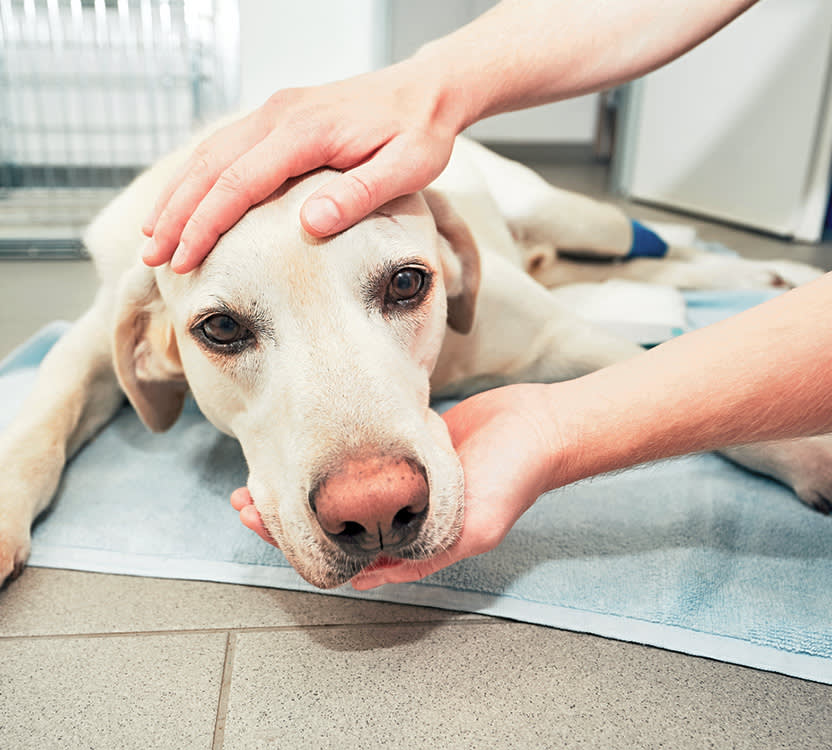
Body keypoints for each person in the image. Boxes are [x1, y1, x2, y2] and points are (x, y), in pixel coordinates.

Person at [143, 0, 832, 589]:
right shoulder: (153, 269)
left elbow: (575, 343)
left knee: (590, 227)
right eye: (228, 330)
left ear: (455, 267)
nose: (373, 495)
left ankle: (674, 255)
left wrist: (768, 441)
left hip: (492, 203)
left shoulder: (455, 242)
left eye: (403, 286)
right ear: (159, 346)